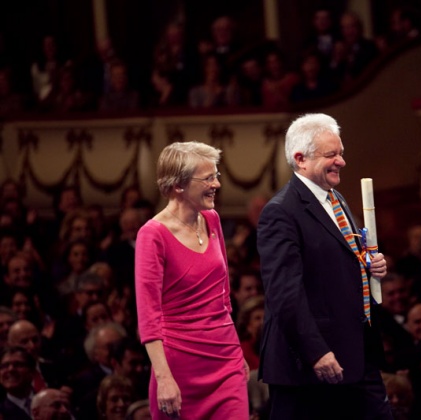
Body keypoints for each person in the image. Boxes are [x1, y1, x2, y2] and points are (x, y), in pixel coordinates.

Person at [256, 113, 392, 419]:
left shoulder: (336, 198)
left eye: (341, 153)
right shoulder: (280, 213)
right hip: (310, 367)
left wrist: (370, 264)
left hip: (354, 353)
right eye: (331, 155)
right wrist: (315, 351)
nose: (341, 162)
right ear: (300, 159)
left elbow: (339, 261)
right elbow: (284, 294)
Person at [135, 141, 248, 418]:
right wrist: (163, 378)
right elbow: (149, 316)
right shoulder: (152, 235)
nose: (217, 184)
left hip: (226, 359)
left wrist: (238, 352)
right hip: (179, 365)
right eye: (208, 178)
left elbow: (223, 297)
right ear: (178, 185)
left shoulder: (212, 219)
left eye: (216, 176)